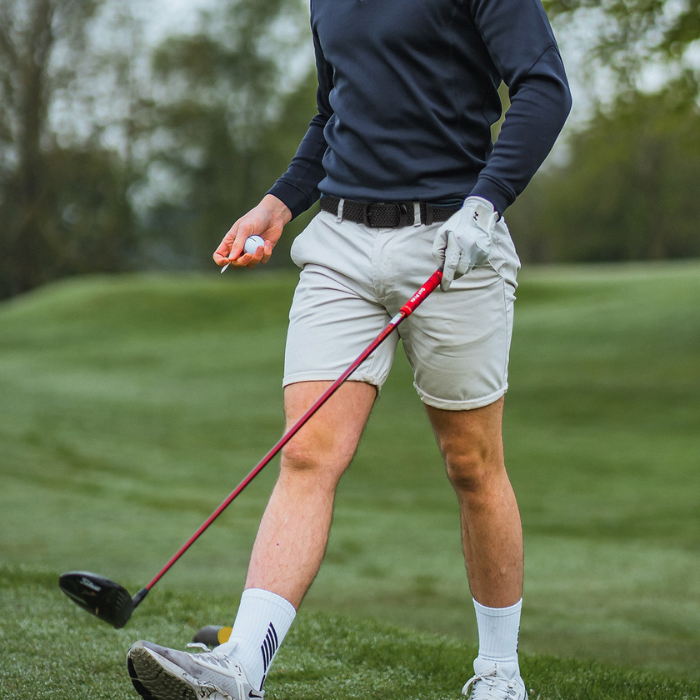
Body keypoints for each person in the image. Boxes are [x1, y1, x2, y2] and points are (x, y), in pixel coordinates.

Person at [126, 0, 571, 698]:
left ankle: (499, 675)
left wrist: (487, 202)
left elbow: (545, 87)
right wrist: (279, 202)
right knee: (306, 451)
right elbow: (335, 111)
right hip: (339, 241)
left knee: (472, 464)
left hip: (455, 236)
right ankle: (241, 669)